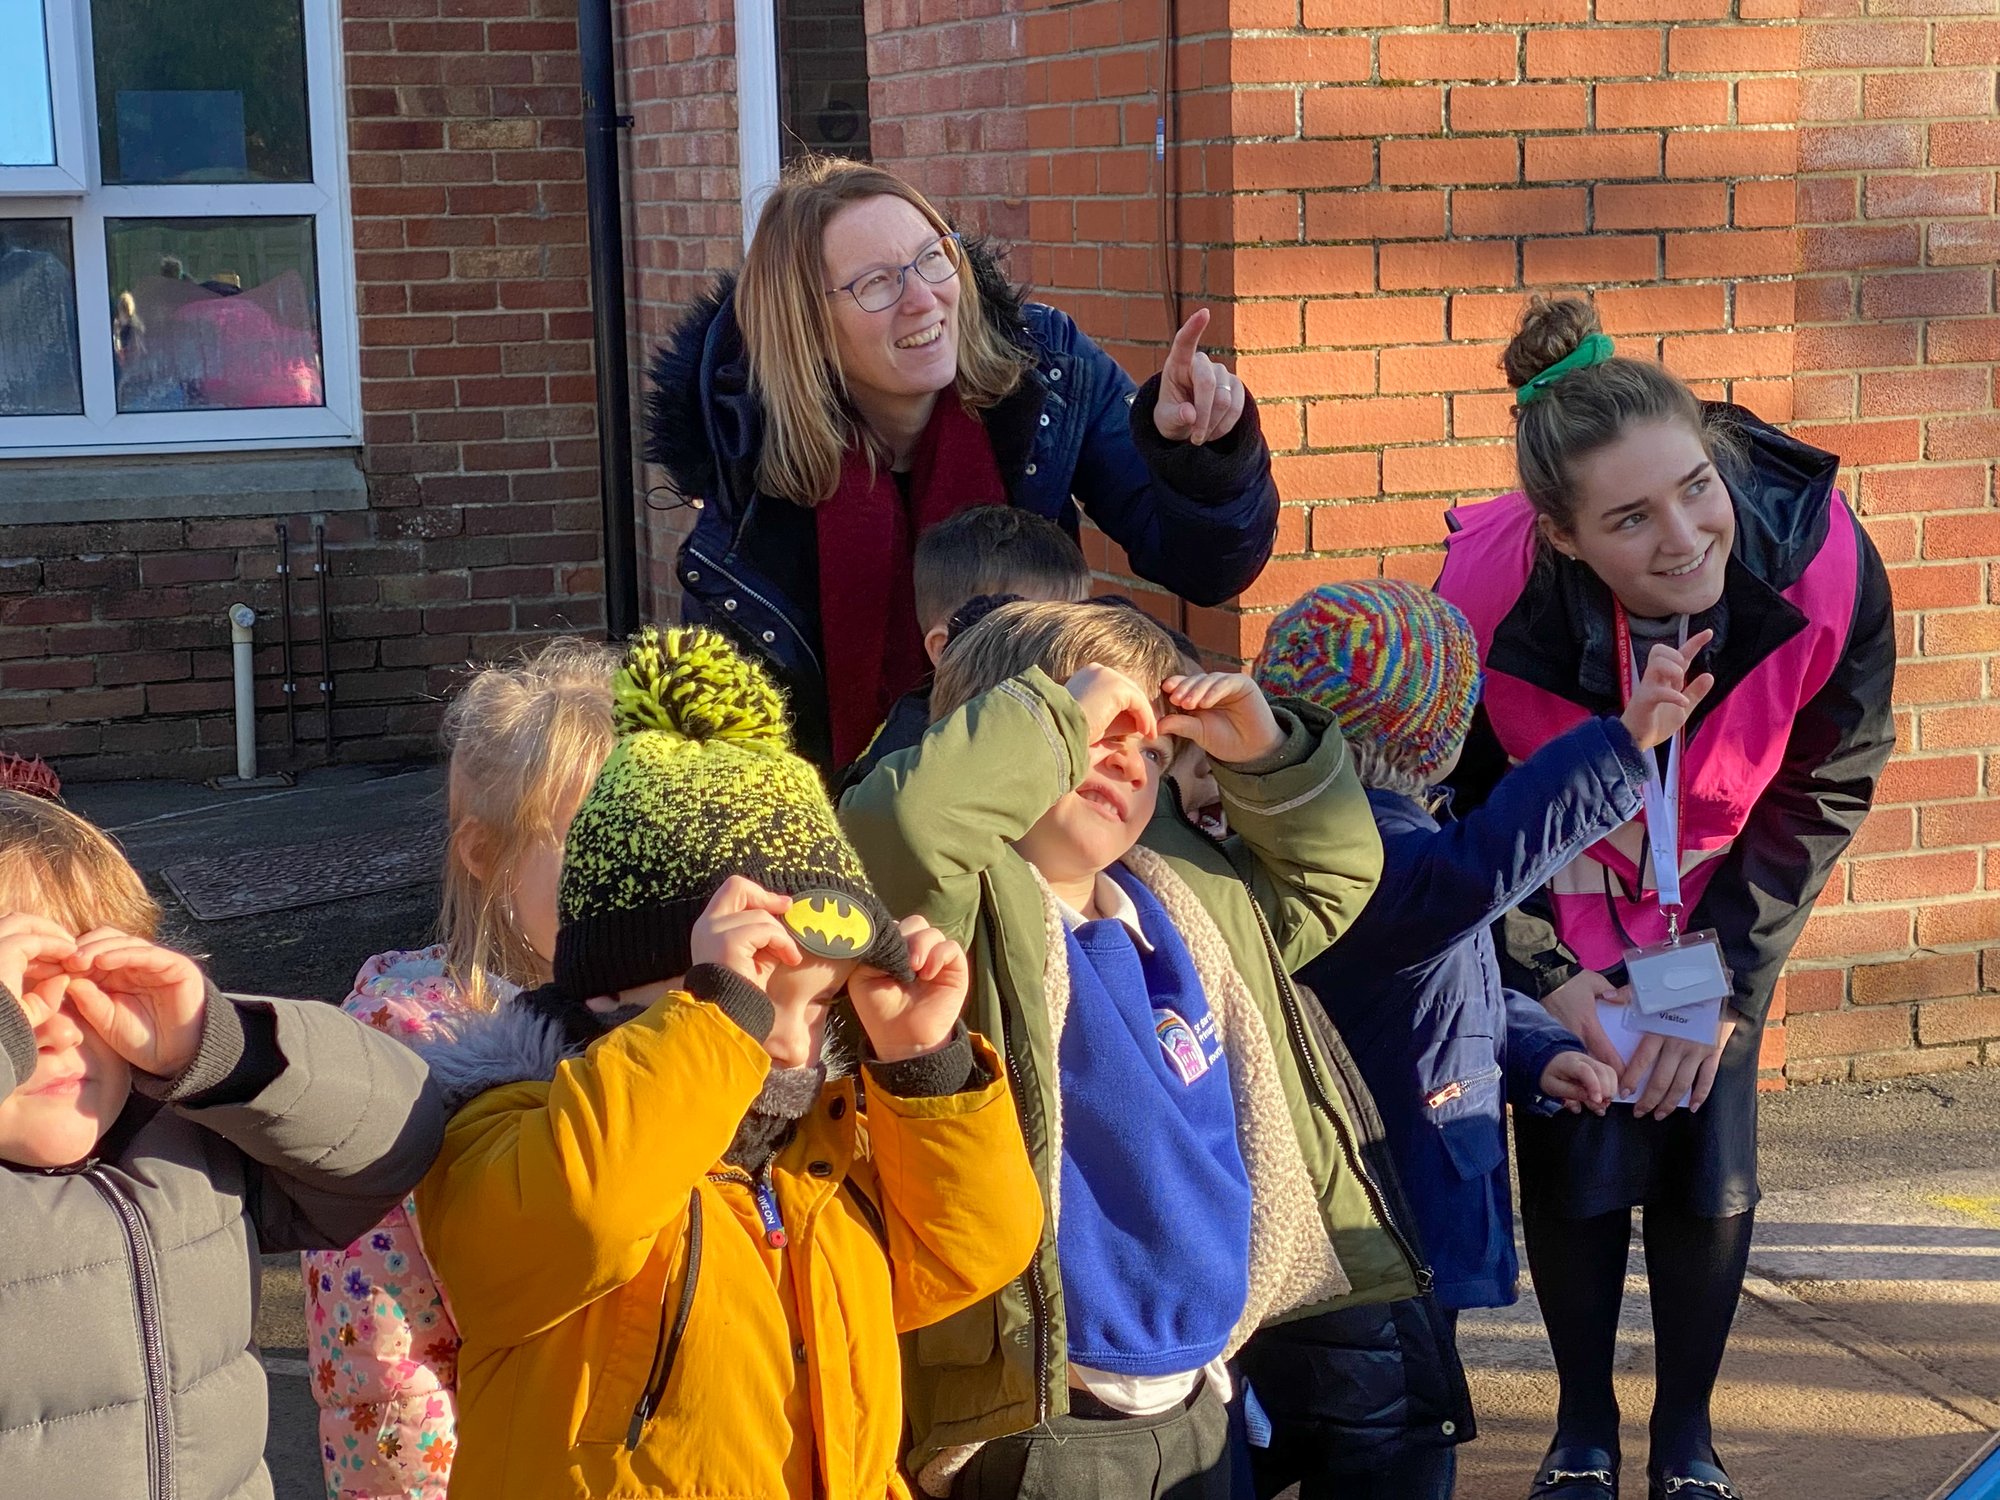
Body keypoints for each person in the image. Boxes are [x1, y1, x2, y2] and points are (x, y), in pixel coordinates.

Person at [1436, 296, 1895, 1500]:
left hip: (1715, 895)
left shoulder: (1821, 558)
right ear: (1561, 535)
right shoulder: (1488, 604)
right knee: (1579, 1144)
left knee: (1703, 1150)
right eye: (1628, 519)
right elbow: (1461, 817)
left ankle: (1686, 1438)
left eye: (1696, 485)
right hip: (1562, 901)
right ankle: (1579, 1427)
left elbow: (1828, 776)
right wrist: (1551, 980)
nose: (1687, 535)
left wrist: (1722, 984)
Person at [411, 626, 1043, 1500]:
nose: (792, 1045)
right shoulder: (511, 1125)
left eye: (822, 1005)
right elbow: (588, 1215)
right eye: (757, 995)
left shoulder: (815, 1153)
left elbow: (973, 1252)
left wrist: (920, 1064)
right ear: (619, 988)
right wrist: (715, 1027)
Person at [842, 599, 1423, 1500]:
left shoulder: (1187, 903)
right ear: (1001, 743)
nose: (1128, 759)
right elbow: (901, 830)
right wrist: (1052, 722)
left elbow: (1331, 877)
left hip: (1201, 1396)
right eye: (1098, 732)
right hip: (1048, 1416)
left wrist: (1265, 754)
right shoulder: (964, 915)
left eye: (1153, 751)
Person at [1239, 579, 1712, 1499]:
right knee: (1392, 1448)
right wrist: (1624, 744)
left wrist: (1536, 1050)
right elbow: (1479, 871)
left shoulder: (1350, 845)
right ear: (1429, 737)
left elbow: (1454, 982)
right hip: (1384, 1227)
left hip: (1377, 1223)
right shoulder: (1381, 864)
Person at [645, 155, 1281, 769]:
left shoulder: (1045, 372)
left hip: (1058, 784)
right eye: (875, 283)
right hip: (855, 833)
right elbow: (734, 764)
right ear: (807, 325)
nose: (923, 299)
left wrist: (1200, 457)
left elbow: (1208, 570)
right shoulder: (745, 495)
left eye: (931, 258)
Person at [0, 790, 443, 1499]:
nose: (50, 1027)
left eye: (79, 981)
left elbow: (399, 1135)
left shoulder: (188, 1143)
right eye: (16, 998)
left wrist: (221, 1048)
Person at [305, 638, 617, 1499]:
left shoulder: (665, 1013)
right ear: (487, 854)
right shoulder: (402, 1047)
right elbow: (384, 1354)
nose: (631, 884)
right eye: (590, 847)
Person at [835, 505, 1092, 791]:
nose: (1065, 656)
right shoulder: (907, 767)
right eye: (1031, 636)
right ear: (946, 649)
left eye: (1071, 634)